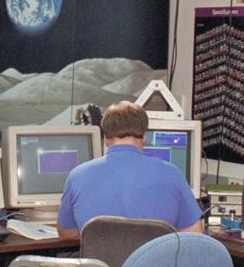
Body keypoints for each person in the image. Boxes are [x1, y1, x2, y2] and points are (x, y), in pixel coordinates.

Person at [56, 101, 203, 240]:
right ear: (144, 137)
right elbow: (195, 232)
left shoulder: (77, 176)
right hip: (155, 259)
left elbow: (66, 233)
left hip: (103, 259)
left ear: (105, 138)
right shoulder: (172, 174)